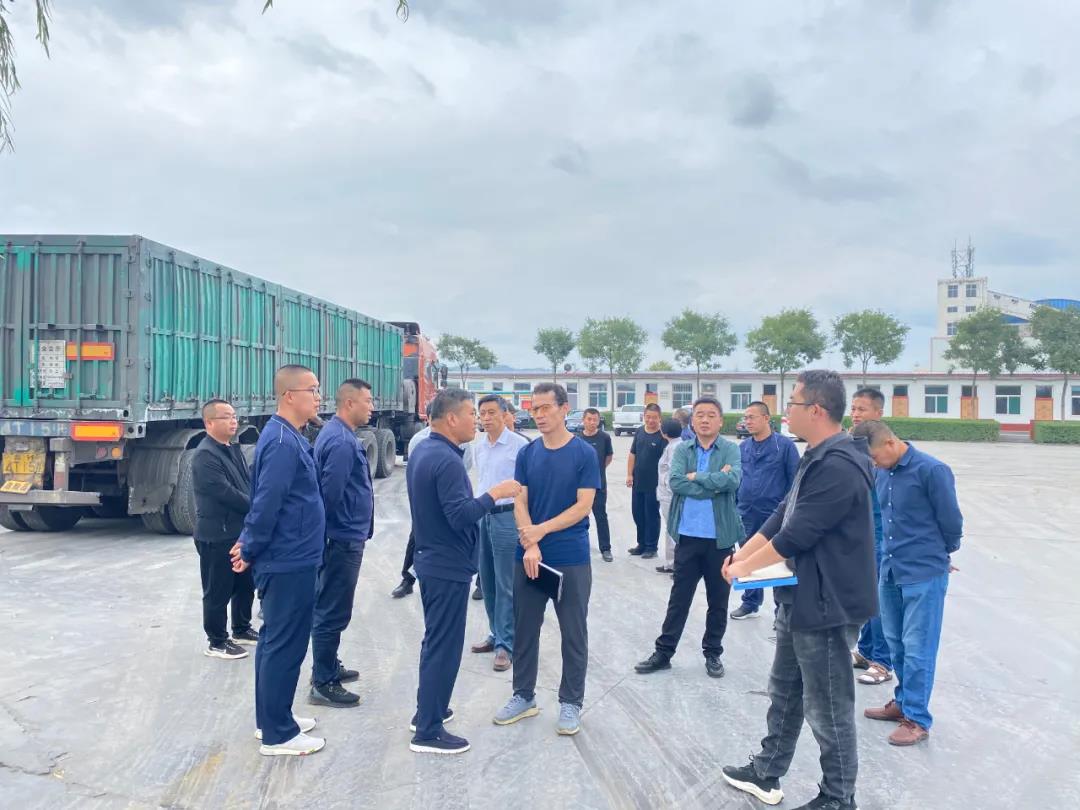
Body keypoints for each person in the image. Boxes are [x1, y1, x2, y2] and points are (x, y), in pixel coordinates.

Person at [720, 370, 876, 810]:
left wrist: (745, 568)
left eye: (793, 402)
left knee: (828, 707)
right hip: (801, 594)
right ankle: (767, 771)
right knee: (785, 691)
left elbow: (798, 534)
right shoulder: (816, 455)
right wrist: (742, 555)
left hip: (828, 604)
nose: (786, 410)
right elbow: (781, 514)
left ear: (817, 410)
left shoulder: (840, 464)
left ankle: (838, 797)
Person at [407, 389, 521, 755]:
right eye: (472, 413)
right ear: (452, 418)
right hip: (446, 565)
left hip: (432, 559)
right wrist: (495, 494)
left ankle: (430, 709)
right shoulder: (447, 460)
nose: (477, 420)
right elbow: (460, 515)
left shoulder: (424, 450)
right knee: (444, 647)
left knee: (435, 642)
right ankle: (428, 731)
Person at [230, 365, 326, 757]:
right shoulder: (284, 442)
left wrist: (249, 542)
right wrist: (249, 546)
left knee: (275, 641)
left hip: (292, 554)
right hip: (289, 558)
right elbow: (267, 502)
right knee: (284, 644)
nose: (318, 397)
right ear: (289, 396)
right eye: (312, 390)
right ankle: (278, 734)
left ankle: (272, 717)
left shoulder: (286, 435)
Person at [494, 382, 599, 737]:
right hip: (529, 555)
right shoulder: (528, 453)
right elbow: (519, 500)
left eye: (545, 408)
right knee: (525, 628)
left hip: (570, 556)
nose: (538, 415)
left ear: (564, 408)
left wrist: (541, 531)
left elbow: (583, 506)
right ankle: (523, 695)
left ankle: (571, 702)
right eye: (534, 409)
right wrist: (530, 542)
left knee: (573, 631)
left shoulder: (583, 454)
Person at [851, 420, 962, 747]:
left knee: (918, 647)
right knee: (896, 643)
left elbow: (952, 523)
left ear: (889, 443)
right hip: (890, 570)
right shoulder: (883, 473)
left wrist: (938, 554)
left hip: (923, 574)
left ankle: (917, 718)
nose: (873, 464)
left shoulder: (932, 471)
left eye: (874, 457)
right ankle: (902, 702)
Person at [634, 398, 742, 679]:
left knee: (718, 601)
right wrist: (713, 482)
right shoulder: (682, 449)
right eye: (700, 415)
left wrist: (697, 478)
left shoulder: (731, 449)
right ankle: (664, 653)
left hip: (720, 540)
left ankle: (713, 653)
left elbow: (733, 481)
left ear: (721, 421)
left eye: (711, 415)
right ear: (692, 421)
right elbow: (676, 482)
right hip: (688, 537)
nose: (705, 420)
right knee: (679, 600)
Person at [308, 380, 375, 708]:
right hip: (341, 539)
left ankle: (329, 665)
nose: (371, 407)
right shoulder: (341, 442)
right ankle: (323, 682)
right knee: (332, 610)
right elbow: (329, 495)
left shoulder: (337, 434)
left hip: (343, 536)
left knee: (332, 607)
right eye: (367, 401)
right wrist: (330, 537)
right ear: (349, 403)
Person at [192, 398, 256, 660]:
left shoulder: (232, 449)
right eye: (226, 417)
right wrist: (257, 507)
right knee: (217, 590)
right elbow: (225, 492)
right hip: (216, 534)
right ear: (209, 423)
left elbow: (246, 483)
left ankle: (241, 629)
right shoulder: (205, 455)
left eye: (234, 416)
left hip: (238, 531)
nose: (233, 421)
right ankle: (217, 641)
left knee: (244, 584)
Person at [469, 395, 530, 672]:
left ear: (505, 414)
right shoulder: (479, 446)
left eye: (492, 412)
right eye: (482, 413)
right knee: (488, 581)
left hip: (508, 517)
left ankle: (506, 644)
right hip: (484, 516)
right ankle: (495, 633)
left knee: (506, 583)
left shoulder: (519, 446)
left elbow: (527, 489)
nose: (486, 418)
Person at [730, 402, 800, 620]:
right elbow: (737, 479)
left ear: (766, 418)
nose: (747, 422)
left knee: (778, 560)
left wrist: (790, 513)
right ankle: (750, 602)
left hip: (774, 514)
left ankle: (782, 610)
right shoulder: (743, 447)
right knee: (748, 558)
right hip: (747, 513)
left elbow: (795, 481)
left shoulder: (784, 446)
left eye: (752, 417)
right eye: (746, 418)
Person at [391, 424, 474, 599]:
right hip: (428, 501)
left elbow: (465, 466)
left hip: (451, 495)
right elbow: (414, 471)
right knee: (416, 538)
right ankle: (408, 580)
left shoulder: (464, 440)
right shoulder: (418, 440)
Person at [848, 388, 894, 687]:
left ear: (878, 413)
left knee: (880, 600)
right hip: (859, 533)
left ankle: (883, 661)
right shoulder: (852, 444)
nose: (855, 414)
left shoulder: (885, 451)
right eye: (853, 408)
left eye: (862, 409)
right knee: (865, 597)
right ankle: (865, 651)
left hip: (882, 536)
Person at [627, 403, 666, 559]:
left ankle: (651, 547)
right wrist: (629, 474)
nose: (650, 420)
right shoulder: (639, 431)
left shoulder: (662, 436)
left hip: (654, 484)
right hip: (638, 482)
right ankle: (641, 544)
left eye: (654, 418)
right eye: (648, 417)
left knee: (651, 515)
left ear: (660, 418)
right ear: (644, 416)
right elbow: (632, 454)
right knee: (637, 513)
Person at [577, 407, 614, 562]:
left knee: (601, 516)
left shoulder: (605, 437)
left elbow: (608, 457)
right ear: (583, 420)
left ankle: (606, 548)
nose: (592, 422)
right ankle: (579, 547)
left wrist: (597, 471)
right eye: (589, 419)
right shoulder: (577, 438)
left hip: (599, 485)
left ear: (599, 421)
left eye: (595, 420)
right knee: (578, 517)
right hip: (580, 486)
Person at [654, 418, 684, 574]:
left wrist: (666, 486)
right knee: (672, 529)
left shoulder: (674, 448)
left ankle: (675, 564)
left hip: (670, 496)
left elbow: (673, 471)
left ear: (664, 432)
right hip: (668, 494)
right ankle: (672, 562)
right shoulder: (674, 445)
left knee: (673, 530)